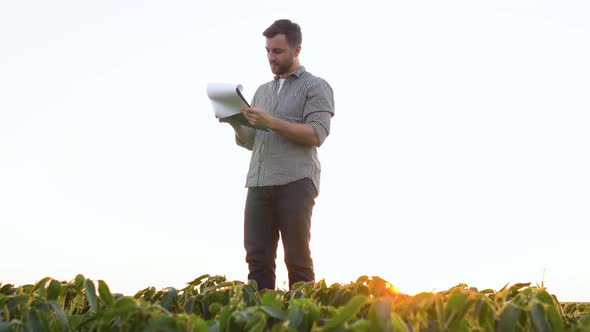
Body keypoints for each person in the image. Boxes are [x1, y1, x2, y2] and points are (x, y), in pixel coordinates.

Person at [222, 19, 335, 291]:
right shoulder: (262, 91)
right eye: (268, 51)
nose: (271, 57)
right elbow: (251, 141)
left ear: (297, 50)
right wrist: (234, 122)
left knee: (297, 260)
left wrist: (271, 122)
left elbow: (317, 134)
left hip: (295, 181)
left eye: (278, 51)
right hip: (259, 183)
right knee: (257, 262)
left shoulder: (316, 86)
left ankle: (303, 320)